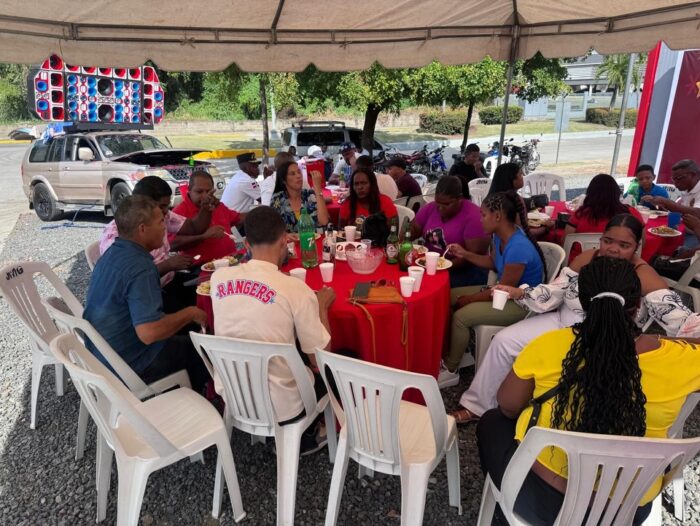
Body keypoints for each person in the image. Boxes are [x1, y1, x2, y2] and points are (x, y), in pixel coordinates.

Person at [477, 256, 700, 525]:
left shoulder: (548, 345)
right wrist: (664, 340)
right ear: (639, 306)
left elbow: (508, 406)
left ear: (582, 303)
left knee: (492, 421)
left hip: (541, 501)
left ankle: (502, 516)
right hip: (628, 511)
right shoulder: (684, 359)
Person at [451, 214, 696, 424]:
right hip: (563, 320)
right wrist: (521, 293)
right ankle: (478, 406)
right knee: (504, 341)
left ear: (637, 246)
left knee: (560, 363)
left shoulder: (644, 274)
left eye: (624, 245)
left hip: (608, 337)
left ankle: (538, 408)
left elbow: (680, 318)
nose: (613, 249)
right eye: (608, 241)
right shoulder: (587, 258)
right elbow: (556, 289)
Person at [210, 206, 336, 452]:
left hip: (234, 395)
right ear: (284, 241)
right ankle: (313, 432)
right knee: (339, 363)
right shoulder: (295, 289)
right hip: (284, 406)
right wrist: (321, 307)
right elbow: (321, 358)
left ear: (247, 244)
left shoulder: (218, 279)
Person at [84, 195, 210, 392]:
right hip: (129, 364)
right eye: (160, 222)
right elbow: (149, 333)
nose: (164, 228)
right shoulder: (141, 267)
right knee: (205, 351)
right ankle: (197, 400)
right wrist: (190, 313)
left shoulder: (112, 253)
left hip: (102, 355)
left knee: (186, 332)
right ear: (142, 229)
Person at [439, 191, 546, 387]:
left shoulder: (518, 247)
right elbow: (494, 264)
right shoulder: (499, 236)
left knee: (461, 316)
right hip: (502, 292)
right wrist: (465, 253)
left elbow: (502, 291)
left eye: (483, 214)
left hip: (521, 303)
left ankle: (451, 369)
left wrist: (469, 299)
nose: (480, 219)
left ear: (497, 216)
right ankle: (459, 349)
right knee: (447, 295)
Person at [98, 176, 213, 313]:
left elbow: (193, 227)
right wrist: (168, 265)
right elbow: (132, 282)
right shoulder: (116, 238)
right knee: (199, 313)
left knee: (212, 291)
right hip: (147, 294)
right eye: (162, 207)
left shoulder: (160, 214)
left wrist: (206, 208)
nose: (164, 225)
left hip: (168, 281)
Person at [411, 176, 489, 287]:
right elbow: (413, 230)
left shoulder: (474, 217)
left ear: (460, 198)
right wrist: (407, 234)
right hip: (430, 265)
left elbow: (472, 257)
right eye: (438, 202)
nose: (440, 208)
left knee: (424, 285)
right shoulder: (430, 208)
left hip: (465, 272)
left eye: (446, 204)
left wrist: (441, 266)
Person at [565, 173, 642, 261]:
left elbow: (566, 242)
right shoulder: (632, 213)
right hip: (622, 263)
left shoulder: (580, 214)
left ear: (590, 193)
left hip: (580, 261)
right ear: (616, 192)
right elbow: (642, 241)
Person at [172, 170, 244, 263]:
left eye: (209, 191)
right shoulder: (178, 212)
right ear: (189, 191)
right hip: (201, 267)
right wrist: (203, 236)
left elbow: (237, 218)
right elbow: (172, 245)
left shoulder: (216, 205)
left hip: (231, 261)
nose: (205, 196)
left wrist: (259, 213)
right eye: (199, 192)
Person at [643, 159, 700, 258]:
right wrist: (665, 205)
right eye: (673, 179)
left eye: (679, 178)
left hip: (695, 235)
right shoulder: (687, 188)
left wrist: (668, 203)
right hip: (684, 230)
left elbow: (697, 213)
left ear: (694, 175)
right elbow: (680, 208)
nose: (675, 183)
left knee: (675, 254)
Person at [270, 161, 329, 232]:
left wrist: (318, 188)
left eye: (299, 172)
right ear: (284, 180)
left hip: (314, 238)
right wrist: (286, 235)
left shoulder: (310, 195)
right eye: (292, 174)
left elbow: (324, 222)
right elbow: (273, 230)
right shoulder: (277, 199)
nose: (298, 176)